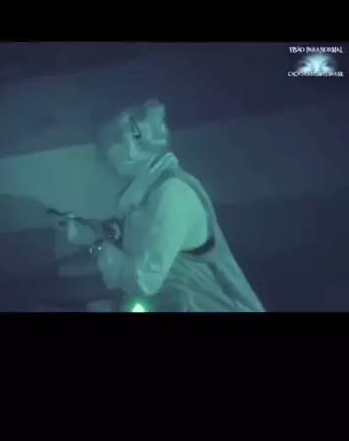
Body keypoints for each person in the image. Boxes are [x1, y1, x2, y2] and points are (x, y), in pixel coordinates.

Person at [93, 99, 265, 312]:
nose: (106, 153)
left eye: (112, 141)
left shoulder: (171, 192)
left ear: (132, 145)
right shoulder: (145, 197)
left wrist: (105, 253)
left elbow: (144, 281)